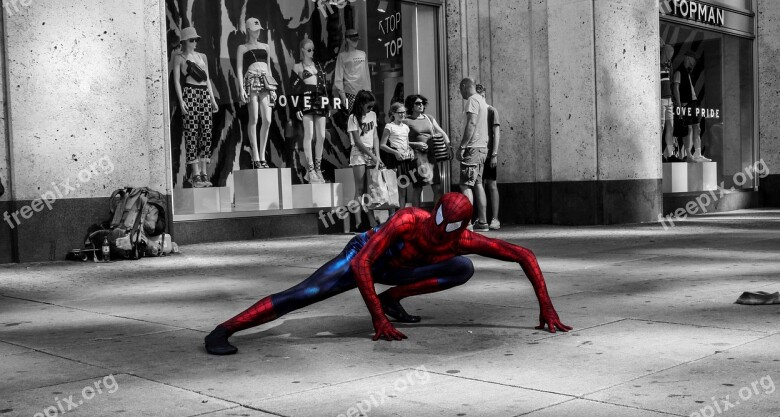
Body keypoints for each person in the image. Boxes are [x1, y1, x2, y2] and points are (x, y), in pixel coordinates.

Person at [204, 192, 572, 355]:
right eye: (438, 222)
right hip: (366, 256)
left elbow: (523, 254)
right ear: (435, 211)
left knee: (463, 267)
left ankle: (392, 298)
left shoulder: (463, 242)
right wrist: (377, 320)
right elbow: (364, 263)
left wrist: (546, 307)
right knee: (304, 294)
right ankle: (224, 329)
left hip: (403, 270)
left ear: (461, 228)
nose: (437, 231)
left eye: (448, 228)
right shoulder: (408, 219)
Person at [172, 27, 219, 188]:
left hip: (204, 93)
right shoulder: (179, 58)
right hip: (190, 93)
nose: (194, 43)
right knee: (191, 132)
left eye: (196, 40)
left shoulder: (201, 56)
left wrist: (212, 99)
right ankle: (195, 173)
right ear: (184, 41)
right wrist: (181, 100)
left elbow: (207, 79)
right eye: (191, 40)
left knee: (206, 131)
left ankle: (204, 171)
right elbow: (177, 81)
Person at [236, 18, 277, 169]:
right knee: (254, 118)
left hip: (265, 81)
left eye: (258, 29)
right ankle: (256, 156)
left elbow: (269, 68)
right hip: (251, 80)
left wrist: (273, 88)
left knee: (267, 119)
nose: (257, 31)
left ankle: (262, 154)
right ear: (248, 30)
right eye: (254, 29)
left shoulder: (266, 46)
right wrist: (241, 88)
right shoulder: (243, 47)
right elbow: (239, 69)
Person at [292, 39, 331, 183]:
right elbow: (294, 89)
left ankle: (318, 167)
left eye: (313, 49)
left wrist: (327, 105)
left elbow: (325, 88)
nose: (312, 52)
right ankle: (310, 169)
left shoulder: (318, 66)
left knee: (321, 135)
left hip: (319, 99)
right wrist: (297, 107)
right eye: (309, 50)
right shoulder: (297, 67)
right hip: (305, 100)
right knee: (309, 134)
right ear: (302, 50)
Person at [404, 94, 450, 207]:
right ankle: (416, 218)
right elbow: (401, 142)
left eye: (422, 103)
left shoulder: (429, 118)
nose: (421, 105)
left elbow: (441, 132)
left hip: (430, 155)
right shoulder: (406, 121)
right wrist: (416, 144)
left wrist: (448, 146)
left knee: (437, 187)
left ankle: (436, 218)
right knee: (418, 188)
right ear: (411, 105)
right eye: (417, 103)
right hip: (416, 156)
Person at [457, 77, 489, 231]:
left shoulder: (472, 100)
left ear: (464, 86)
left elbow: (471, 123)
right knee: (477, 183)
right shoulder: (482, 101)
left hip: (473, 147)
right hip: (482, 146)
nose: (460, 92)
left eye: (460, 89)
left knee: (465, 184)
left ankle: (467, 223)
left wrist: (463, 146)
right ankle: (482, 221)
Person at [348, 90, 381, 232]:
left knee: (370, 189)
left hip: (371, 152)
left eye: (372, 107)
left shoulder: (372, 115)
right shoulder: (353, 118)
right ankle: (358, 222)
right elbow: (357, 141)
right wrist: (373, 156)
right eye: (368, 107)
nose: (370, 110)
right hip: (358, 152)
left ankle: (372, 221)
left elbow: (375, 137)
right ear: (361, 104)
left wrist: (377, 155)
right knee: (359, 188)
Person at [380, 102, 419, 209]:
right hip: (395, 160)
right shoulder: (389, 126)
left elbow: (407, 143)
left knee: (404, 189)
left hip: (405, 160)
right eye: (399, 113)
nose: (402, 115)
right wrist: (395, 152)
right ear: (393, 113)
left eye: (404, 112)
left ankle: (401, 214)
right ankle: (394, 215)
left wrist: (410, 150)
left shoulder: (406, 127)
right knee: (394, 189)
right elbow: (382, 145)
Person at [673, 51, 710, 163]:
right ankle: (688, 154)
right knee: (688, 128)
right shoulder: (679, 72)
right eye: (693, 59)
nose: (694, 61)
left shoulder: (689, 72)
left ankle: (697, 153)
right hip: (686, 103)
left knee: (697, 127)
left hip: (693, 102)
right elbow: (676, 89)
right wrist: (679, 106)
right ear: (688, 58)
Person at [476, 84, 501, 230]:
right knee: (479, 184)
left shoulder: (491, 111)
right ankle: (482, 218)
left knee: (491, 184)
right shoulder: (476, 112)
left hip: (488, 153)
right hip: (478, 153)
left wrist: (494, 154)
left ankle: (495, 218)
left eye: (481, 95)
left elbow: (496, 133)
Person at [334, 29, 371, 113]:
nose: (356, 42)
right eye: (353, 39)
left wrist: (369, 91)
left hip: (365, 93)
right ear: (347, 39)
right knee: (353, 119)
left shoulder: (362, 54)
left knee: (366, 118)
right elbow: (338, 77)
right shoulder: (342, 56)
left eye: (357, 39)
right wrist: (343, 96)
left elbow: (367, 74)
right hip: (350, 93)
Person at [660, 39, 681, 163]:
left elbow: (672, 83)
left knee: (670, 126)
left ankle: (670, 153)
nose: (670, 56)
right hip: (661, 98)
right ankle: (659, 153)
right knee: (661, 126)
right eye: (669, 53)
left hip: (668, 99)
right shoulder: (658, 65)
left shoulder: (668, 66)